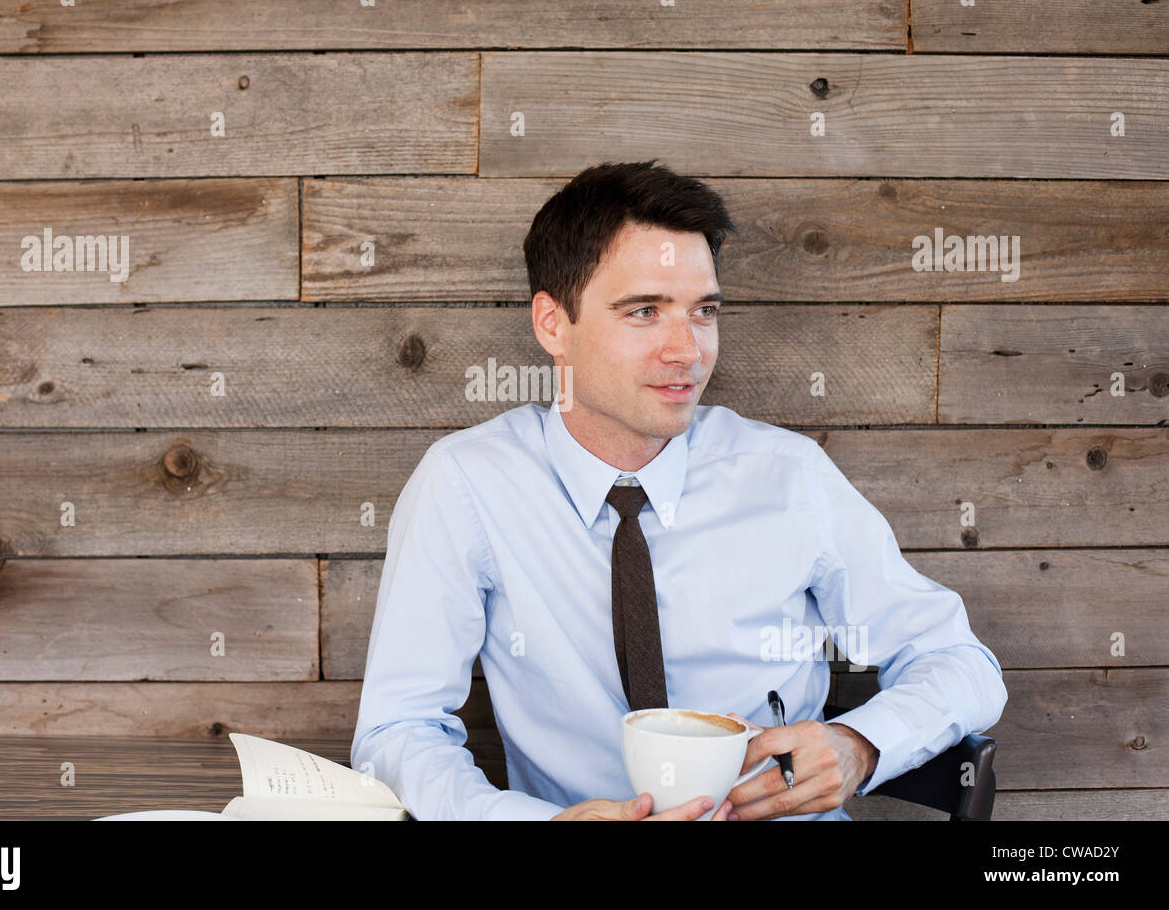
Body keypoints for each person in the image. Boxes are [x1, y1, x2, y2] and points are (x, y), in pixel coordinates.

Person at [351, 159, 1007, 820]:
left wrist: (860, 743)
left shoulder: (787, 475)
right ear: (553, 325)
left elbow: (960, 663)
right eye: (644, 311)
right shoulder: (468, 483)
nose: (687, 350)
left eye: (704, 312)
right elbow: (396, 731)